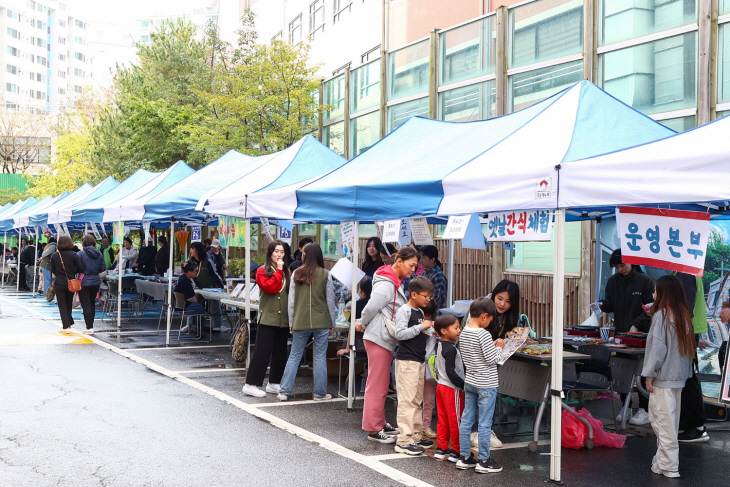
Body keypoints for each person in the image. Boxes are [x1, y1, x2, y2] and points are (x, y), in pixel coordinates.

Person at [357, 246, 419, 443]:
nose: (413, 270)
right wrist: (362, 323)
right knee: (377, 384)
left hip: (380, 337)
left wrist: (364, 324)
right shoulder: (388, 283)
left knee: (381, 383)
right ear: (399, 261)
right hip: (378, 337)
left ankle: (379, 422)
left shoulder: (391, 279)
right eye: (411, 265)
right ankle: (374, 429)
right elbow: (370, 307)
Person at [642, 275, 695, 478]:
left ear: (663, 292)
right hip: (678, 377)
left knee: (662, 422)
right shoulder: (682, 314)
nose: (653, 294)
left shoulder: (662, 315)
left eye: (656, 290)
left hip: (663, 377)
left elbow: (657, 349)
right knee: (670, 422)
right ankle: (664, 462)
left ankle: (669, 465)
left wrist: (649, 374)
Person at [595, 249, 655, 425]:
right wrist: (601, 305)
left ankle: (644, 409)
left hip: (642, 335)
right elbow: (610, 303)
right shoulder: (613, 282)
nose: (620, 269)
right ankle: (626, 406)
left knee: (643, 372)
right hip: (621, 335)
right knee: (622, 370)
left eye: (622, 265)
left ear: (631, 263)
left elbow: (651, 308)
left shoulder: (646, 282)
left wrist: (637, 323)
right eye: (617, 267)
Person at [278, 243, 336, 401]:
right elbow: (330, 301)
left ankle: (284, 391)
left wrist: (291, 321)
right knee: (319, 357)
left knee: (295, 356)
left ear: (305, 256)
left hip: (300, 320)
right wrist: (333, 322)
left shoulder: (296, 273)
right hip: (322, 320)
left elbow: (291, 302)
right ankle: (320, 393)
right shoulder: (326, 274)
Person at [456, 297, 505, 474]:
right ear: (484, 316)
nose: (490, 323)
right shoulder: (483, 334)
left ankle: (465, 457)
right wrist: (499, 346)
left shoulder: (465, 331)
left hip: (470, 381)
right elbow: (493, 359)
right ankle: (484, 459)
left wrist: (492, 346)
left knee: (467, 419)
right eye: (490, 319)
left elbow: (476, 353)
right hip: (486, 383)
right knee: (485, 423)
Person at [393, 276, 436, 455]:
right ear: (413, 294)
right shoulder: (405, 310)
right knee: (407, 400)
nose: (428, 300)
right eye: (425, 296)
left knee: (416, 400)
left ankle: (415, 435)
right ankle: (404, 440)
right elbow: (400, 334)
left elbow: (416, 333)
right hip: (407, 360)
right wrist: (421, 327)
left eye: (429, 297)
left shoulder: (418, 311)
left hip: (418, 360)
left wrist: (429, 330)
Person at [243, 240, 291, 398]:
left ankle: (274, 382)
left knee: (280, 351)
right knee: (262, 352)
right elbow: (271, 288)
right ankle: (251, 384)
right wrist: (278, 271)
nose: (279, 254)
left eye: (282, 251)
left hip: (282, 317)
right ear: (270, 252)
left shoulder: (286, 271)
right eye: (276, 251)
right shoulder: (262, 270)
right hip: (267, 317)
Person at [675, 273, 710, 443]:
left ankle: (697, 426)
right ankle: (691, 423)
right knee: (687, 376)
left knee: (687, 377)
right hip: (689, 329)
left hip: (686, 330)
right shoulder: (683, 272)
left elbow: (685, 305)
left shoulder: (685, 273)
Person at [433, 313, 465, 463]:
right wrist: (464, 385)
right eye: (456, 327)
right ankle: (457, 451)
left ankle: (441, 448)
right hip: (452, 389)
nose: (459, 330)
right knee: (456, 420)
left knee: (443, 419)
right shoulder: (451, 349)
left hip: (440, 387)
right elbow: (451, 372)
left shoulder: (439, 344)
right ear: (444, 331)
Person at [188, 241, 225, 332]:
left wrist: (222, 287)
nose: (190, 250)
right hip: (198, 288)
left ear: (197, 250)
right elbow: (189, 275)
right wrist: (194, 285)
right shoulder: (190, 261)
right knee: (194, 303)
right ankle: (190, 325)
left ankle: (218, 325)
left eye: (192, 248)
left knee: (214, 303)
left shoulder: (208, 261)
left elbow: (215, 275)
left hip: (211, 287)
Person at [50, 236, 83, 333]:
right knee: (69, 304)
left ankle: (66, 326)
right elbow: (80, 268)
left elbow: (53, 270)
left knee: (62, 305)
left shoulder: (54, 255)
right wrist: (72, 272)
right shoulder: (74, 255)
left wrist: (60, 274)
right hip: (71, 282)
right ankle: (68, 322)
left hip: (59, 282)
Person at [78, 234, 106, 334]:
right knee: (92, 304)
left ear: (84, 242)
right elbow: (103, 268)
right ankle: (90, 326)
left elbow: (77, 267)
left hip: (84, 280)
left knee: (86, 304)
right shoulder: (99, 254)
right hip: (95, 281)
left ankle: (88, 327)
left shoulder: (80, 254)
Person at [337, 279, 372, 358]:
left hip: (358, 345)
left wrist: (347, 348)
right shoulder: (375, 304)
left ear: (363, 293)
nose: (358, 293)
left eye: (359, 291)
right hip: (373, 343)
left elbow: (351, 324)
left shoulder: (358, 304)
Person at [421, 299, 439, 440]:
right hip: (415, 363)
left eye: (429, 316)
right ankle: (415, 426)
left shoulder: (434, 328)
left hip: (428, 366)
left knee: (428, 399)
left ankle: (426, 426)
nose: (426, 319)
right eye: (424, 315)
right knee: (413, 398)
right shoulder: (413, 324)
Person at [420, 245, 448, 310]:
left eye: (424, 258)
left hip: (435, 315)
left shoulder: (438, 276)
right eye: (420, 258)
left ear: (432, 259)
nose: (421, 261)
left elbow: (435, 299)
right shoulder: (424, 273)